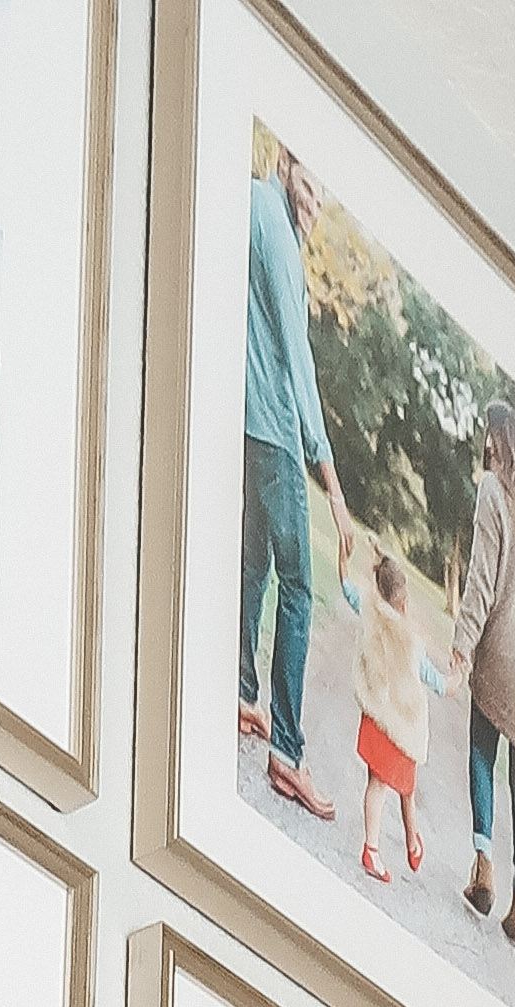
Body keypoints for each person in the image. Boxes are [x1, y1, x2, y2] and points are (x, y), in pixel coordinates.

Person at [236, 146, 347, 822]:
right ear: (284, 162)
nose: (315, 206)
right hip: (275, 433)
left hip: (246, 423)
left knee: (254, 565)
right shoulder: (277, 236)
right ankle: (286, 751)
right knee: (301, 588)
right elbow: (298, 364)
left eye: (321, 197)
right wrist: (331, 480)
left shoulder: (250, 202)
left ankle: (244, 691)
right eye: (309, 187)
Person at [450, 400, 515, 942]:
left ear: (498, 439)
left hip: (497, 653)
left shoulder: (493, 492)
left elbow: (480, 580)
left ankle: (483, 864)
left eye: (488, 437)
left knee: (481, 749)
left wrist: (461, 648)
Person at [352, 544, 431, 881]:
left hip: (377, 717)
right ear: (403, 601)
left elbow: (349, 592)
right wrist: (454, 680)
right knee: (388, 785)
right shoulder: (408, 640)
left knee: (388, 782)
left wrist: (344, 562)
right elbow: (430, 677)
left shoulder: (370, 613)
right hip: (397, 722)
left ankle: (410, 839)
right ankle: (373, 850)